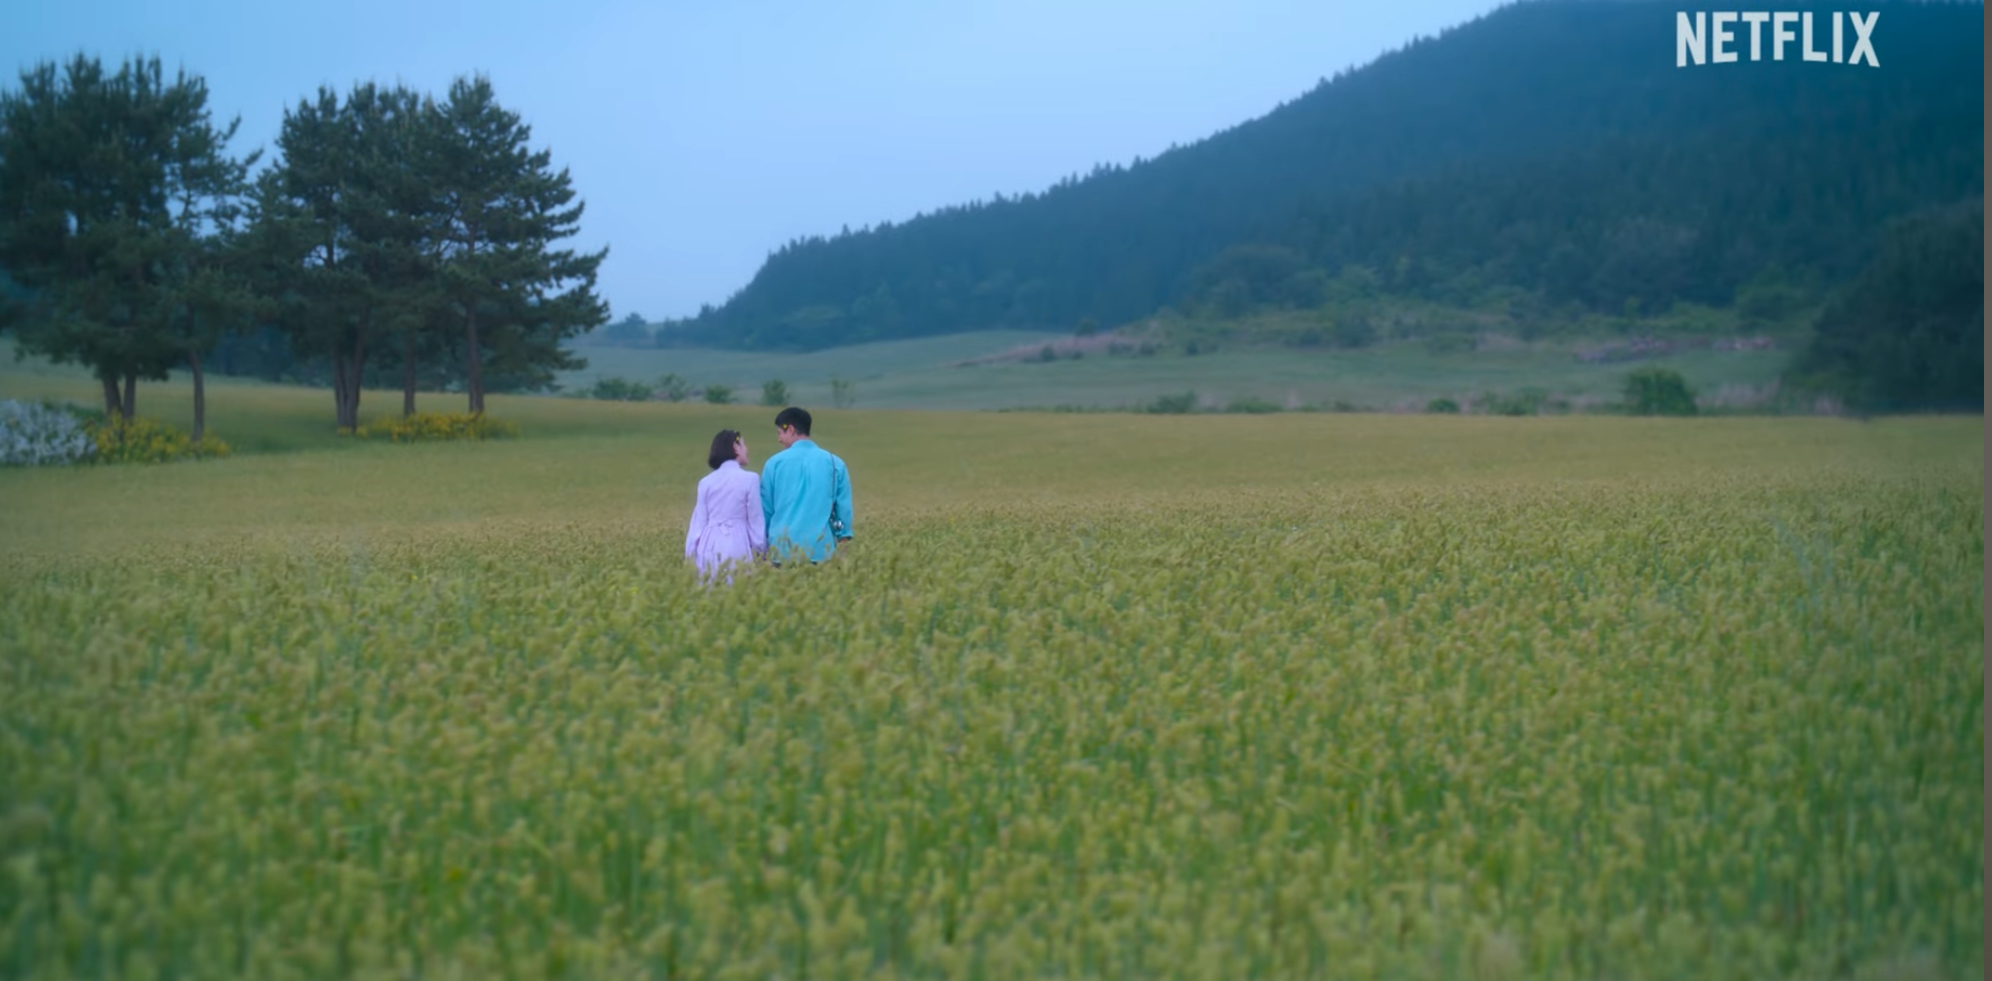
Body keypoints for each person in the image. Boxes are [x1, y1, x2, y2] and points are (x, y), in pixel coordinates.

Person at [759, 406, 853, 565]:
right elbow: (843, 509)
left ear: (789, 429)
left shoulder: (774, 464)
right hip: (821, 549)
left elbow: (765, 510)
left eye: (779, 433)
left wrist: (763, 548)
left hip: (782, 549)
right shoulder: (834, 463)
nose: (779, 439)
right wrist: (843, 542)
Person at [684, 429, 766, 580]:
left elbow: (698, 523)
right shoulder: (750, 479)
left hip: (708, 543)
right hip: (737, 541)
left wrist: (690, 554)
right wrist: (761, 551)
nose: (746, 449)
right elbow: (756, 519)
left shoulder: (705, 482)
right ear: (735, 447)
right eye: (743, 444)